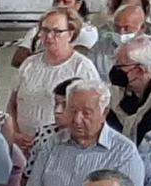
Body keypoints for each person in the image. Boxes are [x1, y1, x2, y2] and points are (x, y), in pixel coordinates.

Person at [28, 82, 146, 186]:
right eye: (72, 110)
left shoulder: (125, 152)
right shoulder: (52, 143)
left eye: (86, 113)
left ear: (104, 113)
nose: (77, 119)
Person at [6, 10, 98, 157]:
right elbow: (12, 104)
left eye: (57, 32)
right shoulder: (29, 64)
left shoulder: (82, 68)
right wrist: (15, 134)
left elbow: (90, 114)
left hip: (60, 149)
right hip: (22, 146)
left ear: (71, 33)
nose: (49, 37)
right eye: (45, 30)